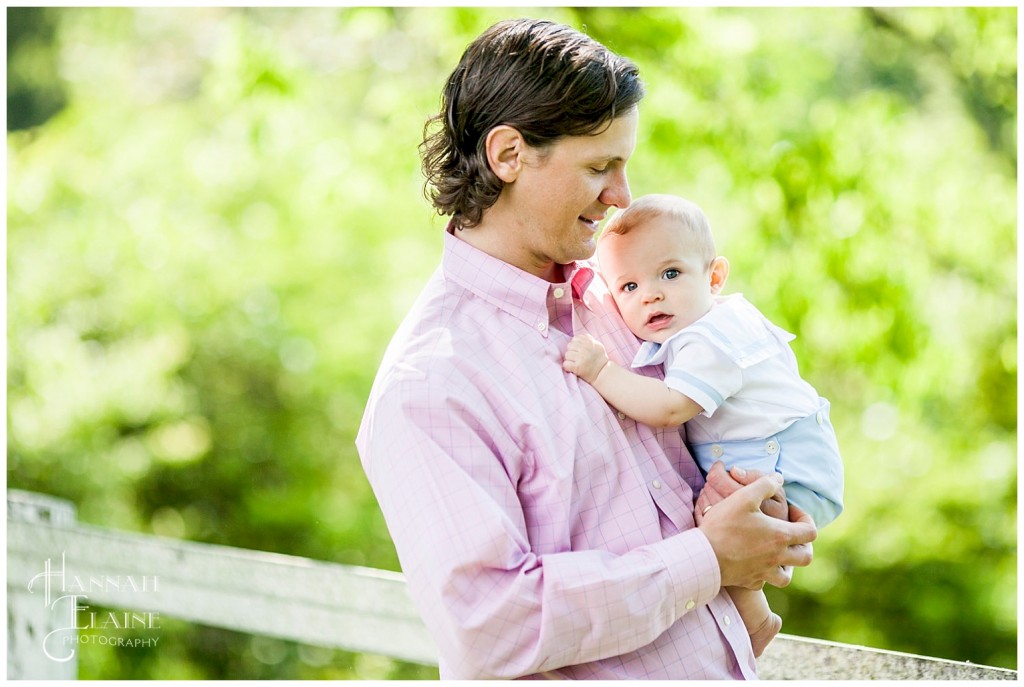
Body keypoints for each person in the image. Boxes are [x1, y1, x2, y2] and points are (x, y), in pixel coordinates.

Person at [356, 18, 816, 679]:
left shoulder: (620, 301)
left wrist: (757, 496)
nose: (622, 197)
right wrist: (708, 558)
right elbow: (492, 627)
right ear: (509, 154)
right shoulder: (430, 382)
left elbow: (703, 457)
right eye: (600, 167)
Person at [562, 193, 845, 656]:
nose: (650, 293)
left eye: (670, 274)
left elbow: (671, 408)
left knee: (720, 526)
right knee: (715, 527)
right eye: (628, 288)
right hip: (773, 455)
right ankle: (756, 618)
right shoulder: (702, 325)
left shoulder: (710, 337)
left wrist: (600, 372)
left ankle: (756, 619)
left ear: (713, 277)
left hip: (783, 462)